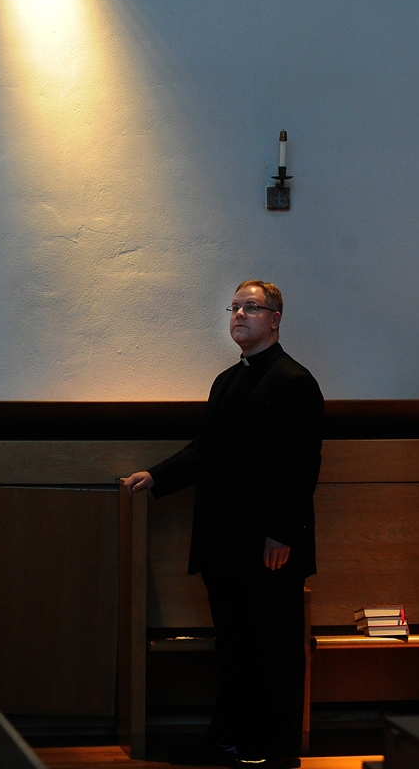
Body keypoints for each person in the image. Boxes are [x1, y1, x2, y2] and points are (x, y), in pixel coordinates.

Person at [124, 280, 323, 769]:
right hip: (225, 544)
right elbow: (206, 452)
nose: (239, 315)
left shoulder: (294, 381)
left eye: (251, 307)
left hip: (269, 546)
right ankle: (228, 739)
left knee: (273, 650)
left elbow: (301, 466)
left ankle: (273, 749)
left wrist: (281, 532)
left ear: (275, 318)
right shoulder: (225, 382)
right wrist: (158, 475)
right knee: (234, 650)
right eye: (234, 307)